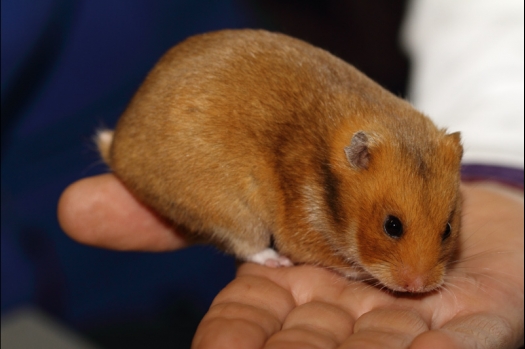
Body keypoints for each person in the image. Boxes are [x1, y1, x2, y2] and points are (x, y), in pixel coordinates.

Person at [58, 0, 524, 348]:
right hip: (168, 127)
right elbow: (298, 231)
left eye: (444, 232)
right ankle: (248, 248)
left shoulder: (419, 143)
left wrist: (501, 167)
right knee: (245, 227)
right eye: (393, 228)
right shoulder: (335, 168)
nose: (419, 279)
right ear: (356, 158)